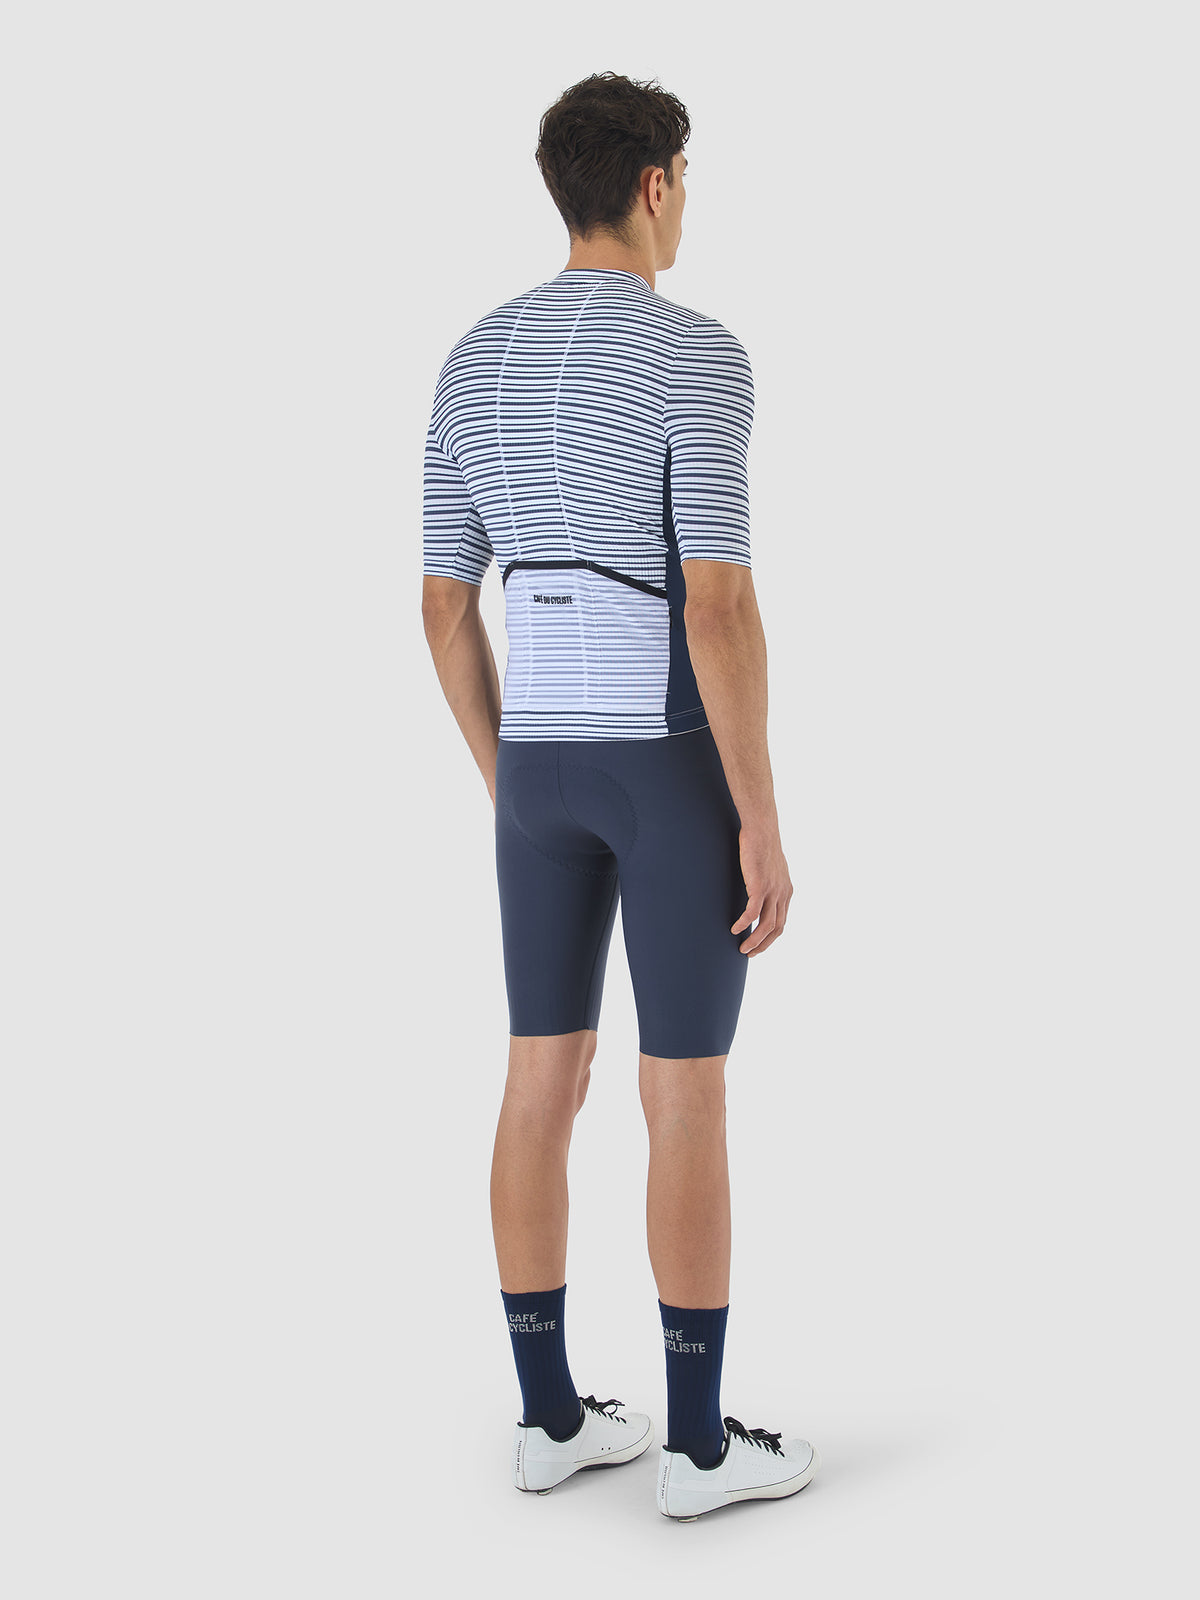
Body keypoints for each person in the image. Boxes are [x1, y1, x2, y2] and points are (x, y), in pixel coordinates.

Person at [421, 71, 818, 1521]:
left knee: (540, 1079)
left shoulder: (473, 357)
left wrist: (508, 778)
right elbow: (717, 605)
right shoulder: (695, 354)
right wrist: (758, 814)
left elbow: (442, 605)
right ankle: (697, 1452)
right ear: (654, 184)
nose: (687, 204)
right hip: (664, 772)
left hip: (539, 771)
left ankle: (549, 1422)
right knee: (682, 1092)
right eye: (685, 180)